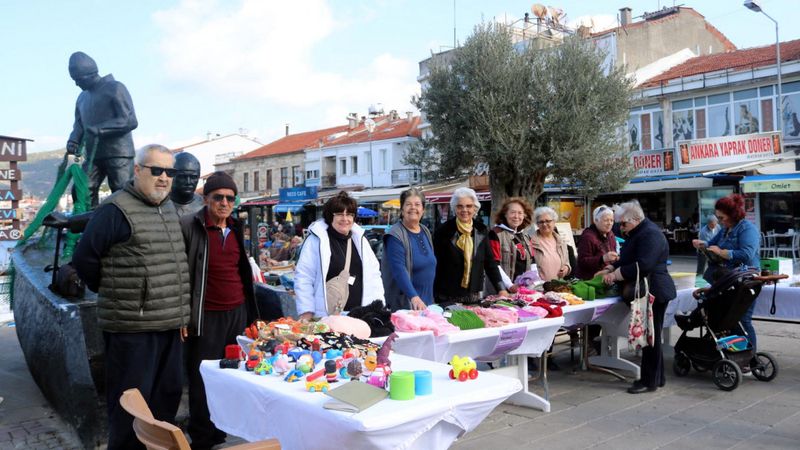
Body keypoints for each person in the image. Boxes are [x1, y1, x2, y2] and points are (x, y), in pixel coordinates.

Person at [73, 144, 189, 449]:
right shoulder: (115, 210)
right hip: (132, 331)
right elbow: (85, 258)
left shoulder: (168, 208)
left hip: (169, 325)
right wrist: (119, 294)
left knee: (166, 400)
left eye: (170, 172)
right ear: (137, 171)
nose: (164, 177)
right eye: (157, 170)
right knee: (131, 412)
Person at [180, 171, 260, 449]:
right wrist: (183, 315)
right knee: (203, 378)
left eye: (230, 198)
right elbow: (181, 274)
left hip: (237, 314)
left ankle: (221, 430)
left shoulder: (235, 228)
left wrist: (251, 317)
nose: (224, 203)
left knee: (231, 376)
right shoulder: (190, 226)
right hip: (206, 316)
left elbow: (241, 272)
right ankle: (201, 437)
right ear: (206, 199)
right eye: (218, 197)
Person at [602, 201, 676, 394]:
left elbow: (644, 264)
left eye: (623, 224)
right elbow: (630, 258)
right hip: (649, 289)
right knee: (652, 335)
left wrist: (616, 275)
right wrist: (612, 267)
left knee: (649, 336)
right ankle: (657, 378)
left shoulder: (649, 233)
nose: (622, 229)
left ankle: (648, 381)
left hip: (653, 290)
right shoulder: (641, 232)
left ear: (635, 220)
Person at [691, 194, 760, 365]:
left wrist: (722, 253)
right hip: (727, 280)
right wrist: (702, 245)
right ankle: (734, 355)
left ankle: (750, 358)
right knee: (727, 318)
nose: (719, 220)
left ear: (733, 214)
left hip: (745, 280)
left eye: (722, 217)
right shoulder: (725, 229)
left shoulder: (747, 229)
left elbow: (747, 254)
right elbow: (712, 244)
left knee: (742, 319)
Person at [295, 191, 385, 319]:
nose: (345, 219)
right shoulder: (316, 240)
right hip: (327, 316)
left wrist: (379, 307)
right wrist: (306, 310)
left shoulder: (360, 240)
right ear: (330, 216)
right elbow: (304, 276)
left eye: (349, 214)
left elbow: (374, 275)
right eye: (339, 214)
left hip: (361, 316)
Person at [66, 51, 138, 207]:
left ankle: (124, 228)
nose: (76, 84)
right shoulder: (82, 98)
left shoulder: (115, 88)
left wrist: (100, 129)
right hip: (93, 155)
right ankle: (89, 225)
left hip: (119, 153)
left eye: (78, 79)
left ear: (90, 74)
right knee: (81, 189)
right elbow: (79, 125)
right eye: (74, 80)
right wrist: (73, 139)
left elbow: (129, 120)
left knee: (122, 192)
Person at [433, 187, 508, 303]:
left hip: (473, 294)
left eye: (468, 206)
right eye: (460, 206)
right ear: (454, 208)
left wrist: (501, 289)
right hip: (447, 295)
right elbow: (434, 265)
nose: (464, 210)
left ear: (475, 208)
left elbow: (490, 263)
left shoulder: (482, 230)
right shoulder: (442, 231)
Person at [381, 188, 436, 311]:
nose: (413, 208)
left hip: (427, 302)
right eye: (408, 204)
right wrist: (414, 297)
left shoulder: (425, 231)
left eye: (417, 204)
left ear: (423, 209)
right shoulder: (395, 235)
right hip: (407, 305)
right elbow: (399, 270)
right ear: (402, 209)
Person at [487, 197, 535, 293]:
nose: (516, 216)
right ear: (505, 214)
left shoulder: (525, 236)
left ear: (524, 215)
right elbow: (494, 264)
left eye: (520, 213)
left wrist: (534, 281)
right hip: (501, 291)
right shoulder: (495, 234)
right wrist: (510, 285)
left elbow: (533, 262)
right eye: (512, 212)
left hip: (522, 290)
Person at [575, 205, 618, 280]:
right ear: (595, 220)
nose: (610, 223)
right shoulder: (588, 237)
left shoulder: (610, 234)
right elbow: (582, 262)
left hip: (607, 278)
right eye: (606, 220)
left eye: (612, 220)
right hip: (590, 281)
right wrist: (602, 259)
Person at [529, 206, 571, 281]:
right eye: (541, 222)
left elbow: (567, 262)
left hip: (558, 286)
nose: (544, 224)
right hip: (538, 288)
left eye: (548, 221)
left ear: (554, 222)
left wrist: (566, 268)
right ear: (537, 224)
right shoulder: (530, 242)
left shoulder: (561, 241)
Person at [170, 152, 204, 217]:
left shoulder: (205, 205)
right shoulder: (159, 205)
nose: (188, 182)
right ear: (172, 176)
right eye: (182, 177)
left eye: (193, 177)